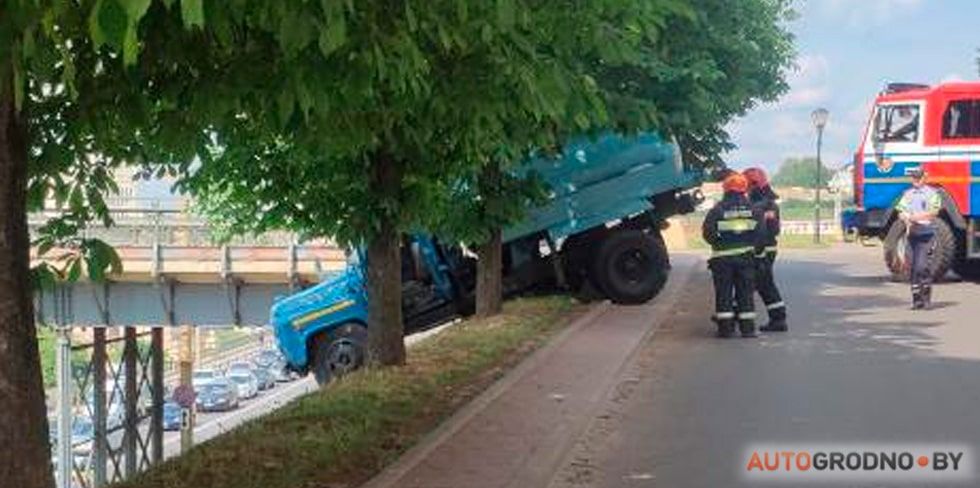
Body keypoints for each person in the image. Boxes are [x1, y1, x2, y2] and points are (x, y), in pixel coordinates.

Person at [702, 173, 764, 338]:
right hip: (746, 259)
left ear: (726, 189)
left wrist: (719, 243)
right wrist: (753, 250)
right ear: (744, 189)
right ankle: (748, 329)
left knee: (724, 294)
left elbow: (708, 233)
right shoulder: (754, 210)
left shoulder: (718, 210)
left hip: (722, 259)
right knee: (746, 294)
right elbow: (760, 235)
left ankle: (725, 329)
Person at [743, 167, 787, 332]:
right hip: (768, 247)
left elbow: (760, 229)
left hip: (761, 249)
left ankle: (733, 315)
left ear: (752, 185)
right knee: (764, 283)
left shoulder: (756, 205)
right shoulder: (770, 203)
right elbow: (775, 229)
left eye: (747, 186)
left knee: (751, 283)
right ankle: (778, 318)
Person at [896, 167, 942, 309]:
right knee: (913, 267)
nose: (915, 180)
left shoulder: (932, 194)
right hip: (912, 233)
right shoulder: (907, 194)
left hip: (926, 233)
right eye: (913, 177)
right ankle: (916, 300)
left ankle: (926, 299)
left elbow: (933, 212)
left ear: (924, 178)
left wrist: (914, 217)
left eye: (918, 177)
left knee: (922, 266)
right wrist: (904, 217)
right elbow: (900, 211)